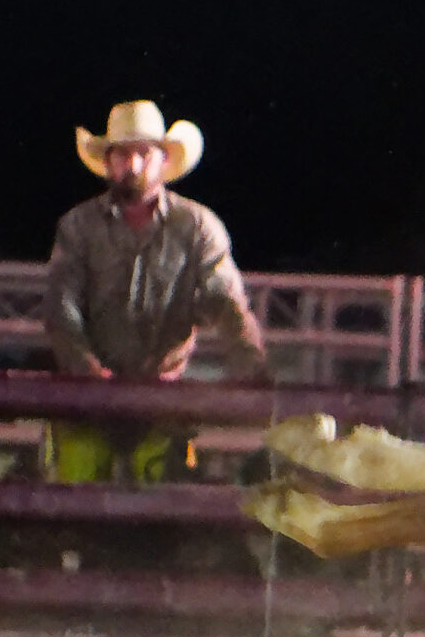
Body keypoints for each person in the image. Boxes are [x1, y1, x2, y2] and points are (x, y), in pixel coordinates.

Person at [43, 100, 267, 481]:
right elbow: (61, 310)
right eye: (123, 155)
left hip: (159, 398)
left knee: (150, 516)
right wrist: (90, 373)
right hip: (89, 399)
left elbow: (226, 303)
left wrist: (250, 364)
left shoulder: (196, 227)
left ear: (162, 160)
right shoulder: (78, 227)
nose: (132, 165)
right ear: (109, 161)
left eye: (142, 154)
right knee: (80, 511)